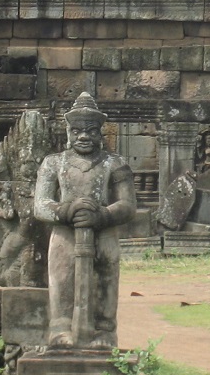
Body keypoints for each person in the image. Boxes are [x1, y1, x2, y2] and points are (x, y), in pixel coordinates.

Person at [33, 92, 136, 349]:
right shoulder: (53, 163)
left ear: (100, 133)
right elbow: (40, 205)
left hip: (104, 233)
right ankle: (60, 329)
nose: (83, 136)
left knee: (106, 277)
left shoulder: (115, 163)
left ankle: (104, 331)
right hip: (65, 234)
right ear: (67, 132)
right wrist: (66, 211)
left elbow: (128, 205)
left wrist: (102, 215)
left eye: (90, 131)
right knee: (62, 278)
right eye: (77, 130)